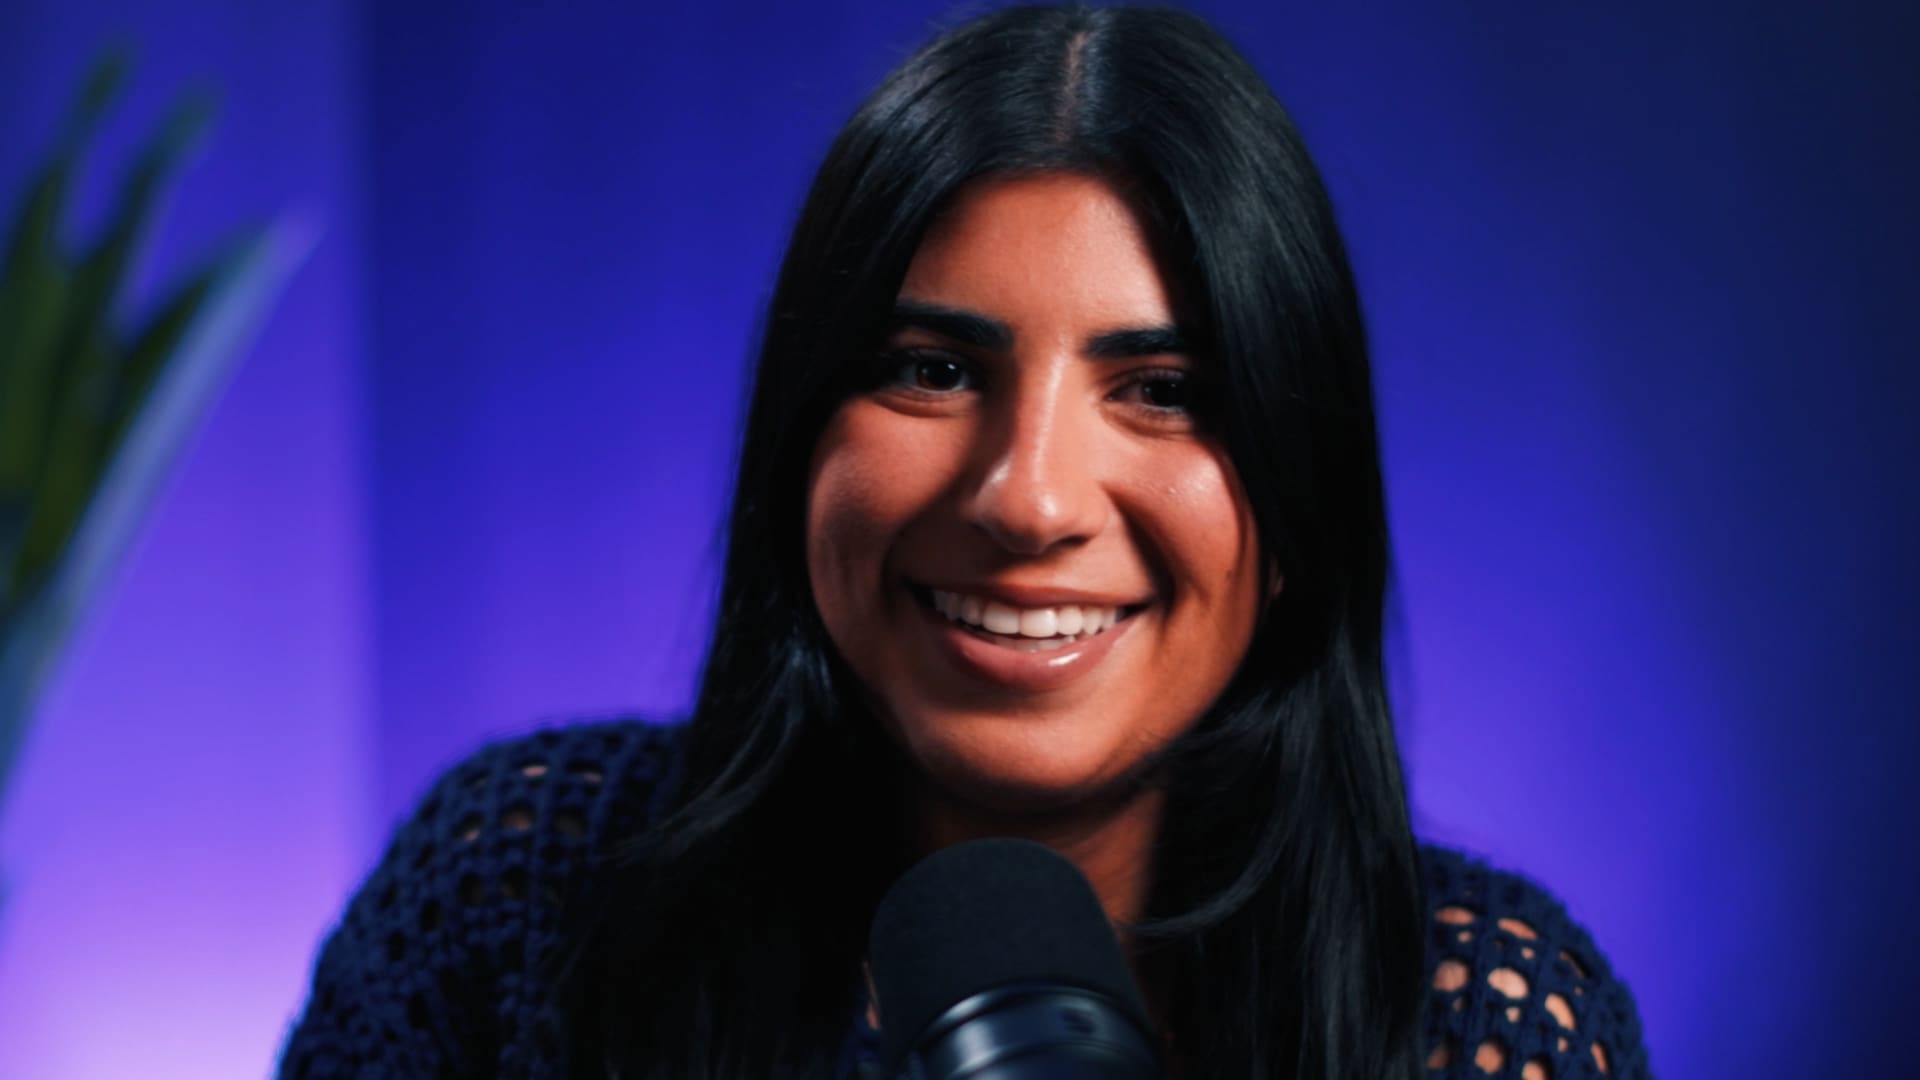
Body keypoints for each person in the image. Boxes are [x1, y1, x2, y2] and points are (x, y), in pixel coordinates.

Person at [277, 5, 1648, 1078]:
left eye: (1164, 393)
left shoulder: (1477, 1020)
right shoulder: (518, 902)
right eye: (932, 370)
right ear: (798, 443)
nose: (1028, 498)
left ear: (1298, 506)